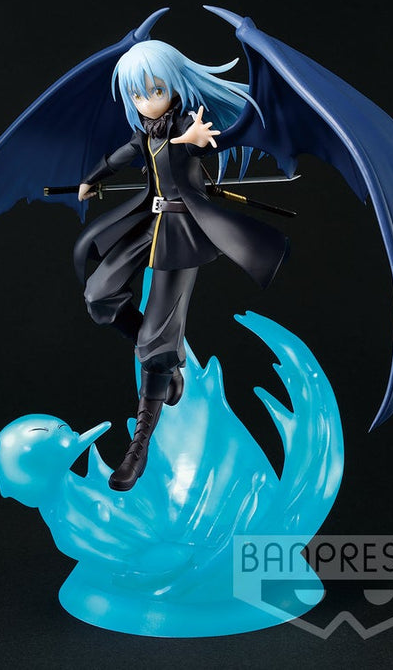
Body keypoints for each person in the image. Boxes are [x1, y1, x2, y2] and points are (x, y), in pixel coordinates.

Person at [73, 40, 289, 491]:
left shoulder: (190, 125)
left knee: (156, 338)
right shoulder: (147, 130)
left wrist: (192, 140)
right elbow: (125, 154)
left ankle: (138, 448)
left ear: (174, 86)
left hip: (183, 234)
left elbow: (198, 142)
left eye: (153, 90)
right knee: (98, 296)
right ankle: (166, 365)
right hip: (148, 224)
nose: (144, 101)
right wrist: (92, 178)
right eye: (136, 94)